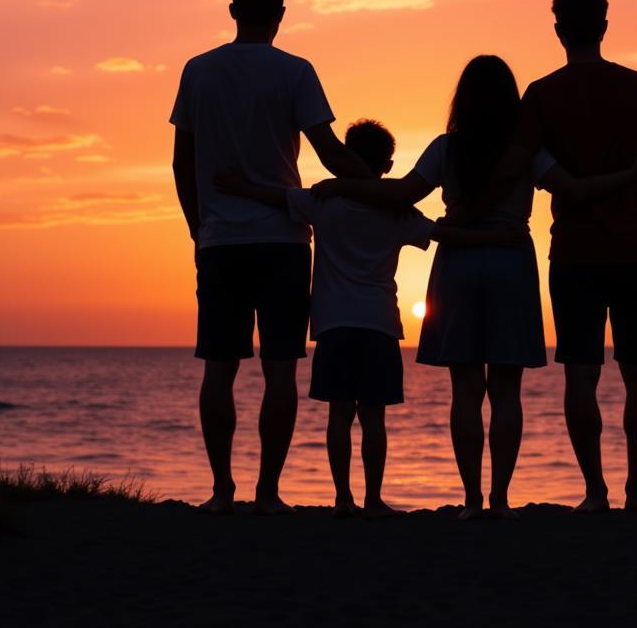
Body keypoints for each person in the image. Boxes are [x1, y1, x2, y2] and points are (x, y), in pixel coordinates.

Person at [313, 56, 637, 519]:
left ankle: (472, 500)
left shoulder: (446, 148)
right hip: (511, 260)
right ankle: (501, 501)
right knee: (506, 391)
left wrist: (340, 186)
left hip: (458, 266)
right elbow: (574, 190)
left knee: (466, 389)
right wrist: (631, 175)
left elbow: (401, 194)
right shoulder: (527, 150)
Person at [214, 118, 526, 518]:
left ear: (344, 158)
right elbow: (444, 234)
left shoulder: (323, 202)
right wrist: (496, 239)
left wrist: (239, 188)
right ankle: (373, 499)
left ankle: (343, 498)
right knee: (373, 417)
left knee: (339, 414)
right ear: (389, 166)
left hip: (333, 325)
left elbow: (276, 197)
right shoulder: (397, 213)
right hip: (378, 324)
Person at [170, 0, 373, 516]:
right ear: (280, 15)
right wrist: (380, 188)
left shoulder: (198, 71)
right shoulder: (295, 72)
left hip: (220, 241)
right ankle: (267, 491)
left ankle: (220, 490)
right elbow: (330, 152)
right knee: (280, 367)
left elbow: (180, 161)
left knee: (220, 366)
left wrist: (197, 227)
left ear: (233, 10)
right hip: (282, 239)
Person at [513, 0, 637, 513]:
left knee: (580, 372)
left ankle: (594, 492)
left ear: (559, 30)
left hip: (576, 252)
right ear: (604, 27)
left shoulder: (539, 95)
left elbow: (532, 171)